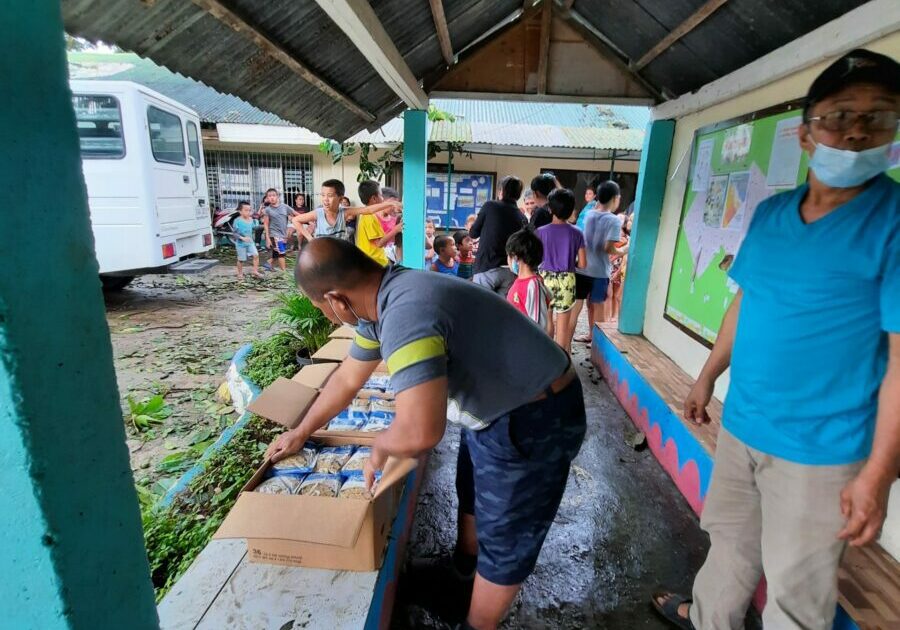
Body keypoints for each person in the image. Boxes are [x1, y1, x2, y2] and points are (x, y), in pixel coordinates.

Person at [652, 49, 900, 630]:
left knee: (796, 593)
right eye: (839, 115)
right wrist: (708, 375)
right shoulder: (771, 214)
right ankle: (709, 619)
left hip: (824, 451)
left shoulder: (893, 223)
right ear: (807, 134)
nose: (857, 131)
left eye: (879, 116)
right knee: (729, 547)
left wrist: (879, 473)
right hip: (744, 424)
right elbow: (745, 300)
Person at [266, 237, 586, 630]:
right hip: (498, 407)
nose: (328, 316)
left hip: (535, 414)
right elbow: (348, 378)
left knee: (507, 535)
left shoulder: (404, 313)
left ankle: (477, 624)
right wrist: (302, 430)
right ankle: (463, 571)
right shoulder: (379, 303)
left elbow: (423, 431)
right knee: (471, 487)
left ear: (336, 299)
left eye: (322, 308)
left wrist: (383, 443)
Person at [536, 189, 586, 354]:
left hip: (544, 278)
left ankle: (546, 358)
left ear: (550, 209)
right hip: (566, 280)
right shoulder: (577, 233)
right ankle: (561, 367)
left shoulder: (540, 232)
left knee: (547, 319)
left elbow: (536, 259)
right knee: (562, 329)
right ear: (571, 210)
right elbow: (583, 264)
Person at [582, 181, 628, 334]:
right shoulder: (613, 220)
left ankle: (590, 334)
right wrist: (623, 250)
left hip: (583, 268)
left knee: (589, 305)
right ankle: (596, 342)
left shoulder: (589, 214)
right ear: (615, 198)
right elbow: (608, 248)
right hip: (600, 271)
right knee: (599, 305)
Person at [470, 176, 527, 296]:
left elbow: (473, 233)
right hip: (510, 270)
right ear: (518, 194)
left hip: (486, 267)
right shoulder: (522, 218)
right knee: (501, 310)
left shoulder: (490, 206)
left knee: (481, 306)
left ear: (502, 190)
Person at [291, 179, 389, 243]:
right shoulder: (318, 213)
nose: (325, 199)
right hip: (322, 256)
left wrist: (390, 204)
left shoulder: (345, 212)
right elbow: (296, 220)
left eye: (329, 196)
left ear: (340, 199)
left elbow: (367, 210)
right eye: (323, 195)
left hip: (340, 256)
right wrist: (310, 238)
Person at [506, 228, 553, 337]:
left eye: (508, 256)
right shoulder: (520, 281)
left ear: (516, 257)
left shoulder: (533, 285)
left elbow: (537, 326)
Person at [355, 180, 403, 266]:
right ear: (374, 198)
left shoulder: (369, 216)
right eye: (381, 195)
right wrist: (396, 230)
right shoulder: (369, 217)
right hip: (375, 263)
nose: (382, 199)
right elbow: (379, 243)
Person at [261, 188, 297, 272]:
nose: (272, 198)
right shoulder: (267, 210)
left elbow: (296, 214)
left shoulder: (285, 207)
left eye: (274, 195)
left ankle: (268, 263)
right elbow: (265, 224)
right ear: (267, 198)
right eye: (269, 196)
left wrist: (309, 220)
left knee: (277, 252)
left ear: (278, 196)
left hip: (283, 234)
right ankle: (284, 273)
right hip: (274, 234)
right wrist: (268, 239)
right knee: (281, 253)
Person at [609, 213, 631, 322]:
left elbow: (622, 252)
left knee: (618, 295)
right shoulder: (613, 233)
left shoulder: (627, 238)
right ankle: (613, 315)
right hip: (615, 266)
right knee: (613, 294)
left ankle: (618, 317)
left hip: (620, 267)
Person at [233, 201, 262, 279]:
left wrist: (260, 224)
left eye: (249, 210)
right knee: (241, 259)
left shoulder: (251, 220)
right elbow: (234, 234)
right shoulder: (237, 221)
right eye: (246, 210)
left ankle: (255, 271)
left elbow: (255, 227)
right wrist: (242, 238)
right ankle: (240, 273)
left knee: (256, 255)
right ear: (240, 211)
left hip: (250, 242)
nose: (248, 212)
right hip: (240, 244)